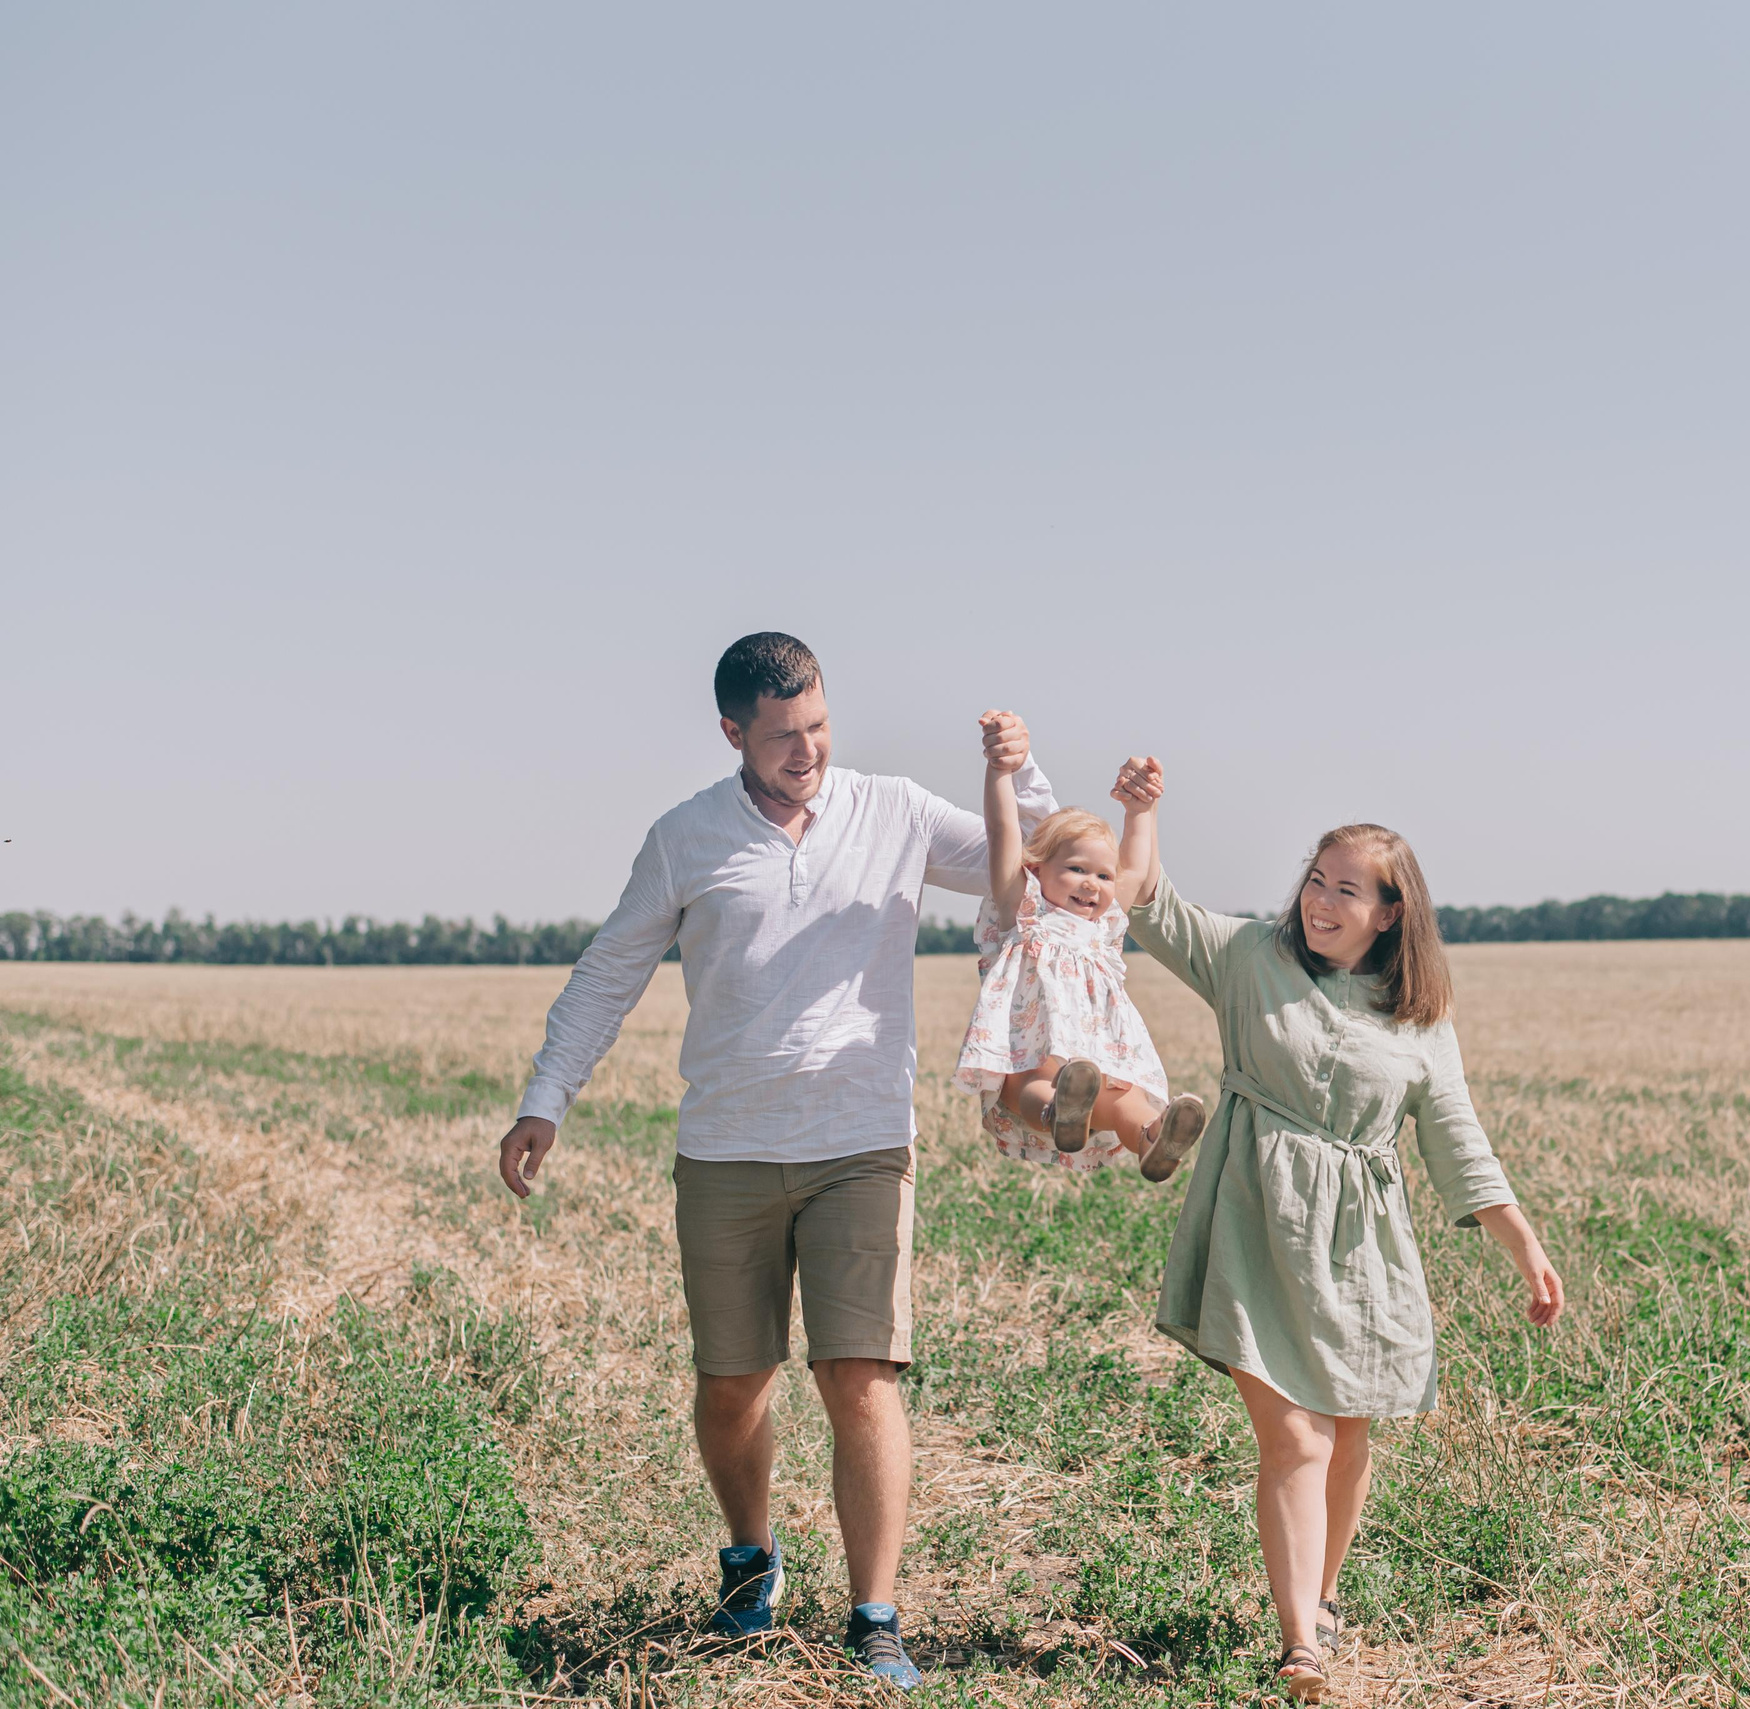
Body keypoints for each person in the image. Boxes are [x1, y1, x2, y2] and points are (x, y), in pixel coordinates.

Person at [494, 632, 1058, 1691]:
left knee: (862, 1375)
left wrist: (1015, 772)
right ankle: (750, 1558)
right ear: (732, 733)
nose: (807, 751)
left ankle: (874, 1614)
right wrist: (545, 1097)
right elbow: (612, 966)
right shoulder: (685, 837)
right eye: (783, 736)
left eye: (819, 726)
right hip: (726, 1151)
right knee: (731, 1385)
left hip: (860, 1142)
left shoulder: (889, 809)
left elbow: (1027, 863)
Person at [1111, 757, 1565, 1704]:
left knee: (1350, 1438)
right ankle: (1299, 1646)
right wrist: (1141, 813)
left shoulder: (1419, 1015)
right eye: (1316, 880)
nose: (1321, 899)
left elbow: (1458, 1141)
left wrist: (1524, 1243)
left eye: (1346, 889)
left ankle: (1318, 1599)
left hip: (1362, 1248)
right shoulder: (1250, 958)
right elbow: (1152, 906)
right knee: (1298, 1439)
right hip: (1254, 1220)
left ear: (1390, 911)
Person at [952, 719, 1208, 1178]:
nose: (1093, 884)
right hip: (1034, 1052)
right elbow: (1002, 829)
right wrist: (999, 772)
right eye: (1076, 869)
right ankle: (1058, 1115)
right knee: (1034, 1083)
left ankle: (1154, 1138)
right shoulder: (1023, 909)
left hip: (1098, 1057)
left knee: (1125, 1098)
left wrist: (1142, 808)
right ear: (1037, 867)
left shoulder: (1105, 928)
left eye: (1102, 876)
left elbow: (1134, 863)